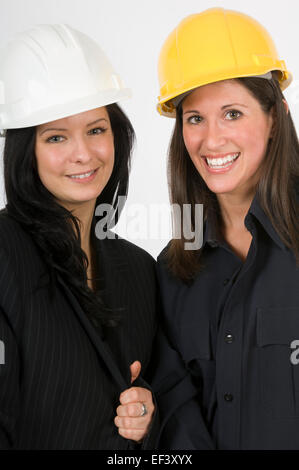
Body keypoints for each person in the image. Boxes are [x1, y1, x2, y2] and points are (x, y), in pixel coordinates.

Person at [0, 24, 158, 449]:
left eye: (96, 129)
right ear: (24, 150)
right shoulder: (4, 254)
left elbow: (156, 390)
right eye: (56, 136)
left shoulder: (140, 269)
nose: (84, 153)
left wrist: (146, 415)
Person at [150, 7, 299, 449]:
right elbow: (174, 415)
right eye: (195, 118)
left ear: (275, 117)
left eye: (232, 113)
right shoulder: (173, 272)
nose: (211, 140)